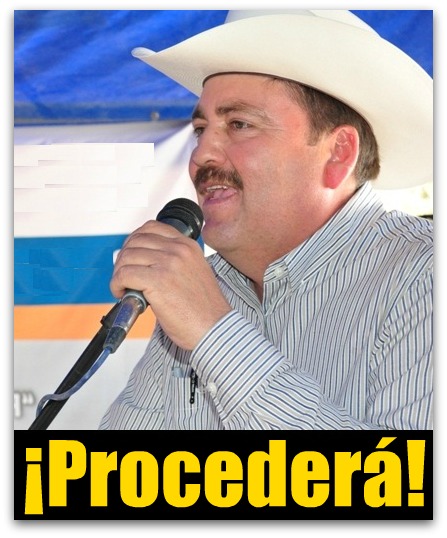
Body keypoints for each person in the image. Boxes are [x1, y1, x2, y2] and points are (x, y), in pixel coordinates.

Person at [99, 10, 433, 430]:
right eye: (201, 129)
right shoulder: (207, 286)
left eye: (239, 124)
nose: (201, 155)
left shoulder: (426, 274)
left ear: (338, 153)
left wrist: (213, 332)